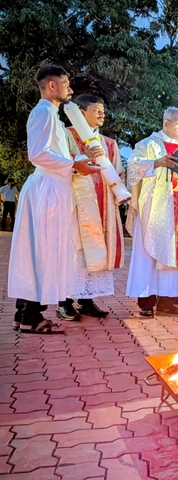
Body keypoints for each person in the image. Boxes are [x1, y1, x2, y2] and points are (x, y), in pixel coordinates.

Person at [8, 65, 101, 334]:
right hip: (47, 189)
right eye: (66, 83)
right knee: (44, 250)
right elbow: (37, 154)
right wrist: (74, 164)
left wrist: (82, 160)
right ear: (52, 86)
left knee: (38, 250)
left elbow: (54, 154)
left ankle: (23, 313)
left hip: (52, 187)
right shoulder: (44, 112)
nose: (70, 88)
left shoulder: (51, 115)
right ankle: (31, 317)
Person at [125, 107, 178, 317]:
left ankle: (167, 300)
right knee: (149, 254)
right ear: (166, 123)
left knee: (173, 253)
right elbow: (133, 167)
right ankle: (146, 302)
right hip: (155, 208)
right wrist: (157, 163)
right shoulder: (148, 144)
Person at [56, 94, 126, 321]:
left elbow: (117, 173)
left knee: (96, 253)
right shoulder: (66, 134)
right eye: (96, 110)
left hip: (103, 206)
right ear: (81, 112)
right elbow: (58, 162)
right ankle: (64, 301)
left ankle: (86, 300)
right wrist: (81, 156)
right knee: (74, 252)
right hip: (75, 205)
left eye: (103, 110)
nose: (102, 114)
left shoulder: (109, 143)